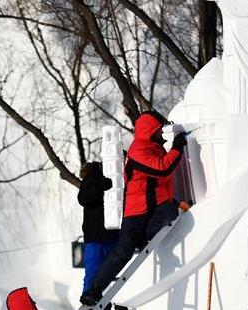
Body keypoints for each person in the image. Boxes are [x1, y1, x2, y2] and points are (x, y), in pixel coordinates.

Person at [80, 111, 187, 307]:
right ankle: (94, 290)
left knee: (169, 212)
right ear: (149, 131)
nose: (162, 134)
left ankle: (143, 236)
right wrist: (177, 148)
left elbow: (162, 175)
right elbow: (162, 168)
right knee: (123, 252)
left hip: (151, 209)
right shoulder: (140, 151)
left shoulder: (155, 149)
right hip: (137, 212)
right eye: (159, 131)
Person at [78, 161, 119, 297]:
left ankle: (91, 297)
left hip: (100, 234)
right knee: (98, 271)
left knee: (96, 271)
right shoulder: (92, 180)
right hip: (100, 235)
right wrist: (98, 182)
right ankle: (90, 296)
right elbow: (84, 199)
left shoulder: (93, 180)